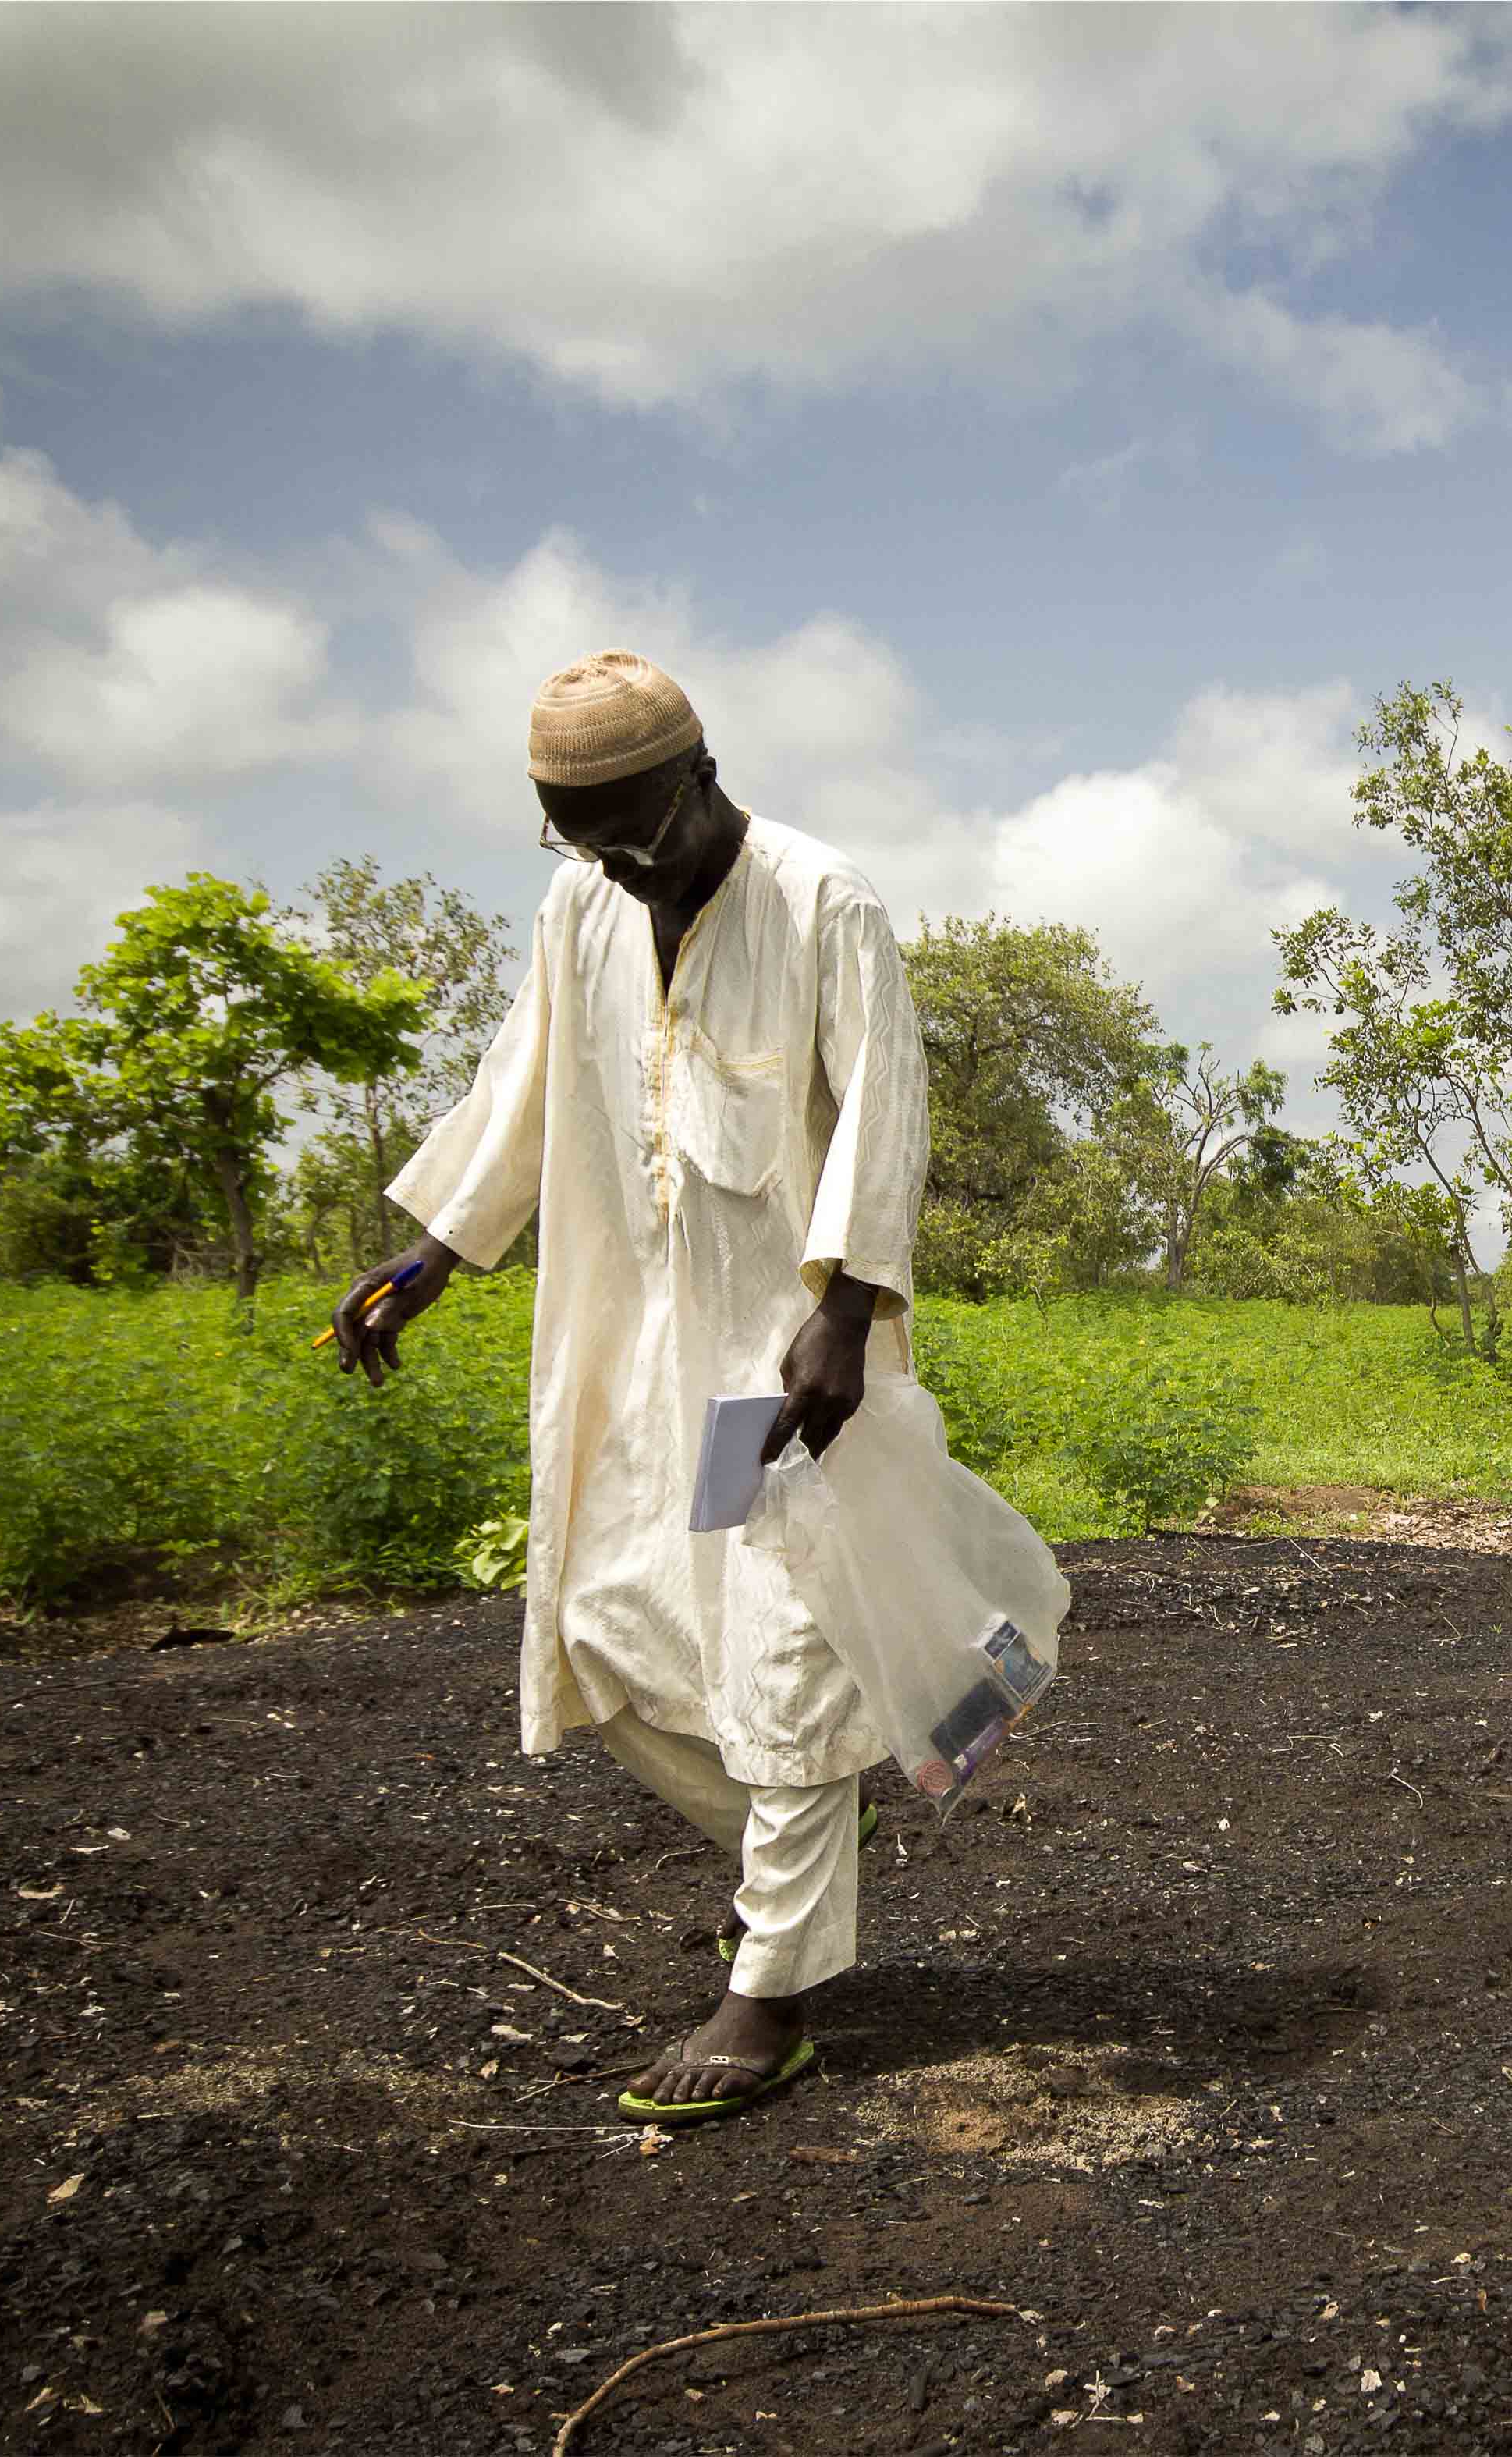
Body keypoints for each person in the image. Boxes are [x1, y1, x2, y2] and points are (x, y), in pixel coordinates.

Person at [329, 647, 1018, 2122]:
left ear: (699, 777)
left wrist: (846, 1309)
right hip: (641, 1350)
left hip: (778, 1368)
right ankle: (806, 1837)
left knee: (777, 1651)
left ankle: (769, 1993)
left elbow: (883, 1113)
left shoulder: (821, 899)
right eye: (581, 839)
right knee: (608, 1625)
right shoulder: (583, 903)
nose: (619, 867)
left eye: (635, 830)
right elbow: (524, 1086)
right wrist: (439, 1247)